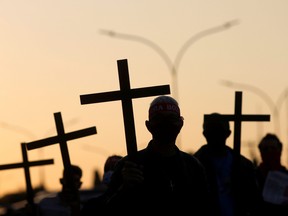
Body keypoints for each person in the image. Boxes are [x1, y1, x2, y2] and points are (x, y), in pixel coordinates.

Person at [95, 95, 212, 215]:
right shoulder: (130, 165)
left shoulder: (192, 166)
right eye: (159, 119)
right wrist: (125, 188)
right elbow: (105, 210)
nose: (165, 124)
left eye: (171, 118)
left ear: (180, 124)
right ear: (148, 125)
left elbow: (205, 207)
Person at [194, 112, 262, 216]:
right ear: (205, 134)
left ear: (228, 133)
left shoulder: (244, 166)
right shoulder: (193, 165)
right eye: (212, 130)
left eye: (219, 131)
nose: (215, 135)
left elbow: (253, 199)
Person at [256, 133, 288, 215]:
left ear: (280, 150)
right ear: (261, 152)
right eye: (266, 149)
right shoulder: (253, 177)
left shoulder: (286, 176)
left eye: (273, 148)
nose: (270, 152)